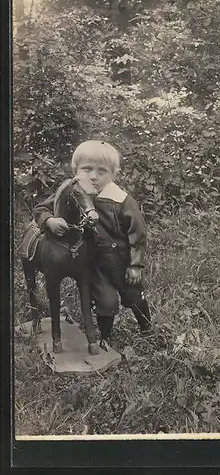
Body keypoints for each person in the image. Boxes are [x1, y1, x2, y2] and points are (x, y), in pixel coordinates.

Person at [33, 140, 152, 351]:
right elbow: (42, 208)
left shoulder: (121, 200)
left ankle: (147, 329)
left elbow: (138, 233)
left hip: (120, 261)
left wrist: (135, 265)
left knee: (133, 295)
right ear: (76, 171)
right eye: (87, 170)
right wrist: (49, 221)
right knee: (106, 302)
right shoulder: (72, 192)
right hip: (93, 263)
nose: (94, 177)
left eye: (102, 171)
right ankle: (105, 337)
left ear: (113, 174)